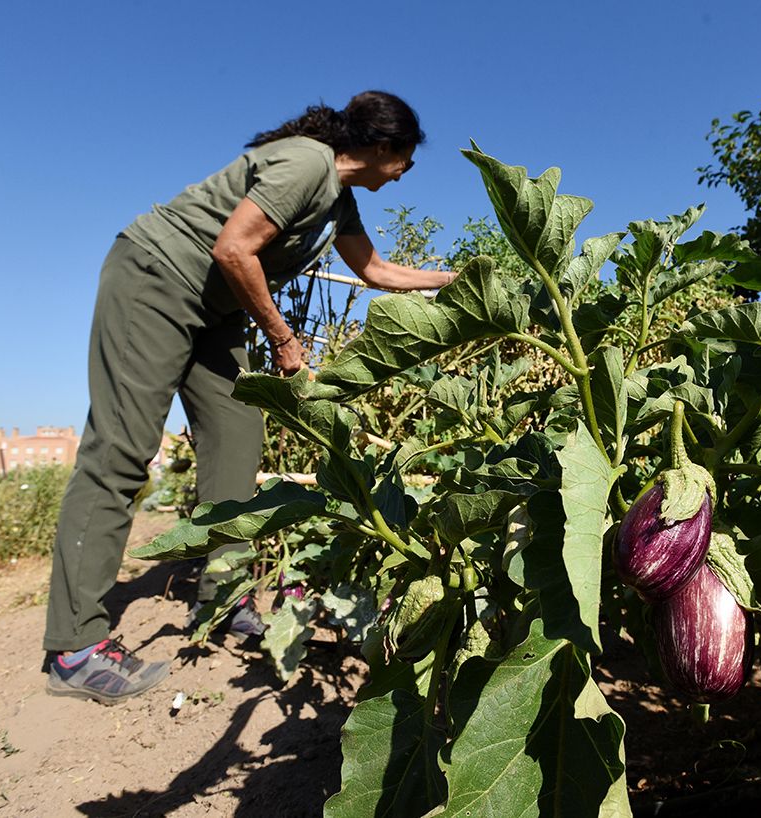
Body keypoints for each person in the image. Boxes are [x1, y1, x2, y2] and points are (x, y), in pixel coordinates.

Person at [43, 90, 455, 704]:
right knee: (121, 451)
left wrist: (456, 280)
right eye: (406, 162)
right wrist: (284, 340)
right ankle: (74, 647)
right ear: (382, 148)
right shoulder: (308, 164)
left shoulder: (336, 200)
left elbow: (377, 272)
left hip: (213, 310)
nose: (404, 175)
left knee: (237, 440)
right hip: (156, 278)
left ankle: (225, 598)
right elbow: (233, 247)